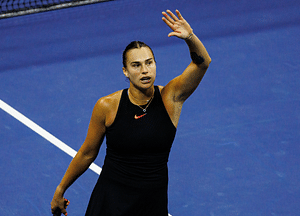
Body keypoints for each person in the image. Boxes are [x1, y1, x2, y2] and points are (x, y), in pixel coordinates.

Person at [51, 9, 211, 216]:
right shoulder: (107, 106)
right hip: (111, 202)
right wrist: (60, 189)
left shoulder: (170, 97)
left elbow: (202, 62)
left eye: (149, 63)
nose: (144, 70)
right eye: (136, 65)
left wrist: (190, 37)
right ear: (125, 71)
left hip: (152, 203)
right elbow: (87, 152)